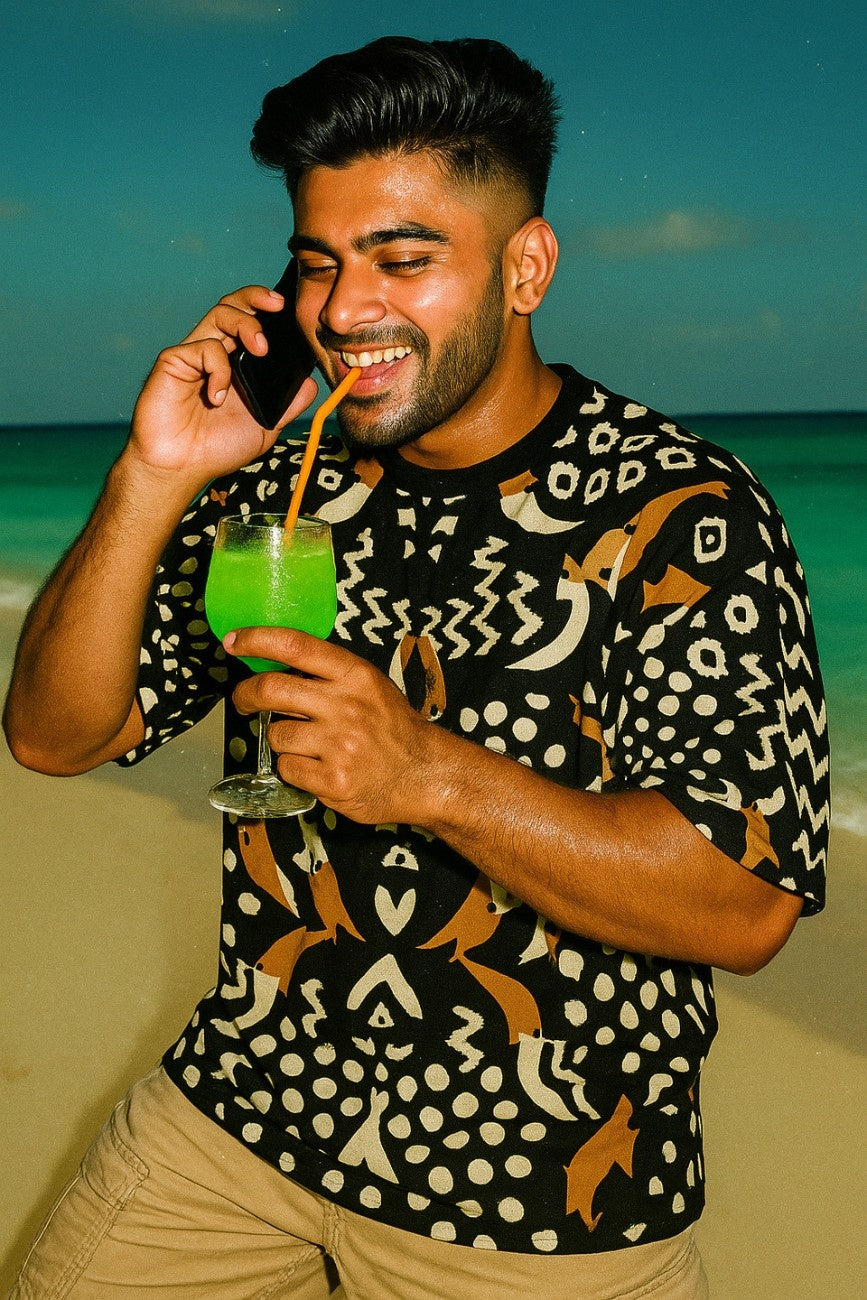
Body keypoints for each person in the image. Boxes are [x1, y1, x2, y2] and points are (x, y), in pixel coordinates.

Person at [4, 35, 828, 1300]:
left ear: (527, 266)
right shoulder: (282, 479)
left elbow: (746, 901)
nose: (343, 309)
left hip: (541, 1197)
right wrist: (158, 472)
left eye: (404, 257)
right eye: (318, 262)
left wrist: (431, 776)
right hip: (239, 1118)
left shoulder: (685, 513)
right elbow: (58, 734)